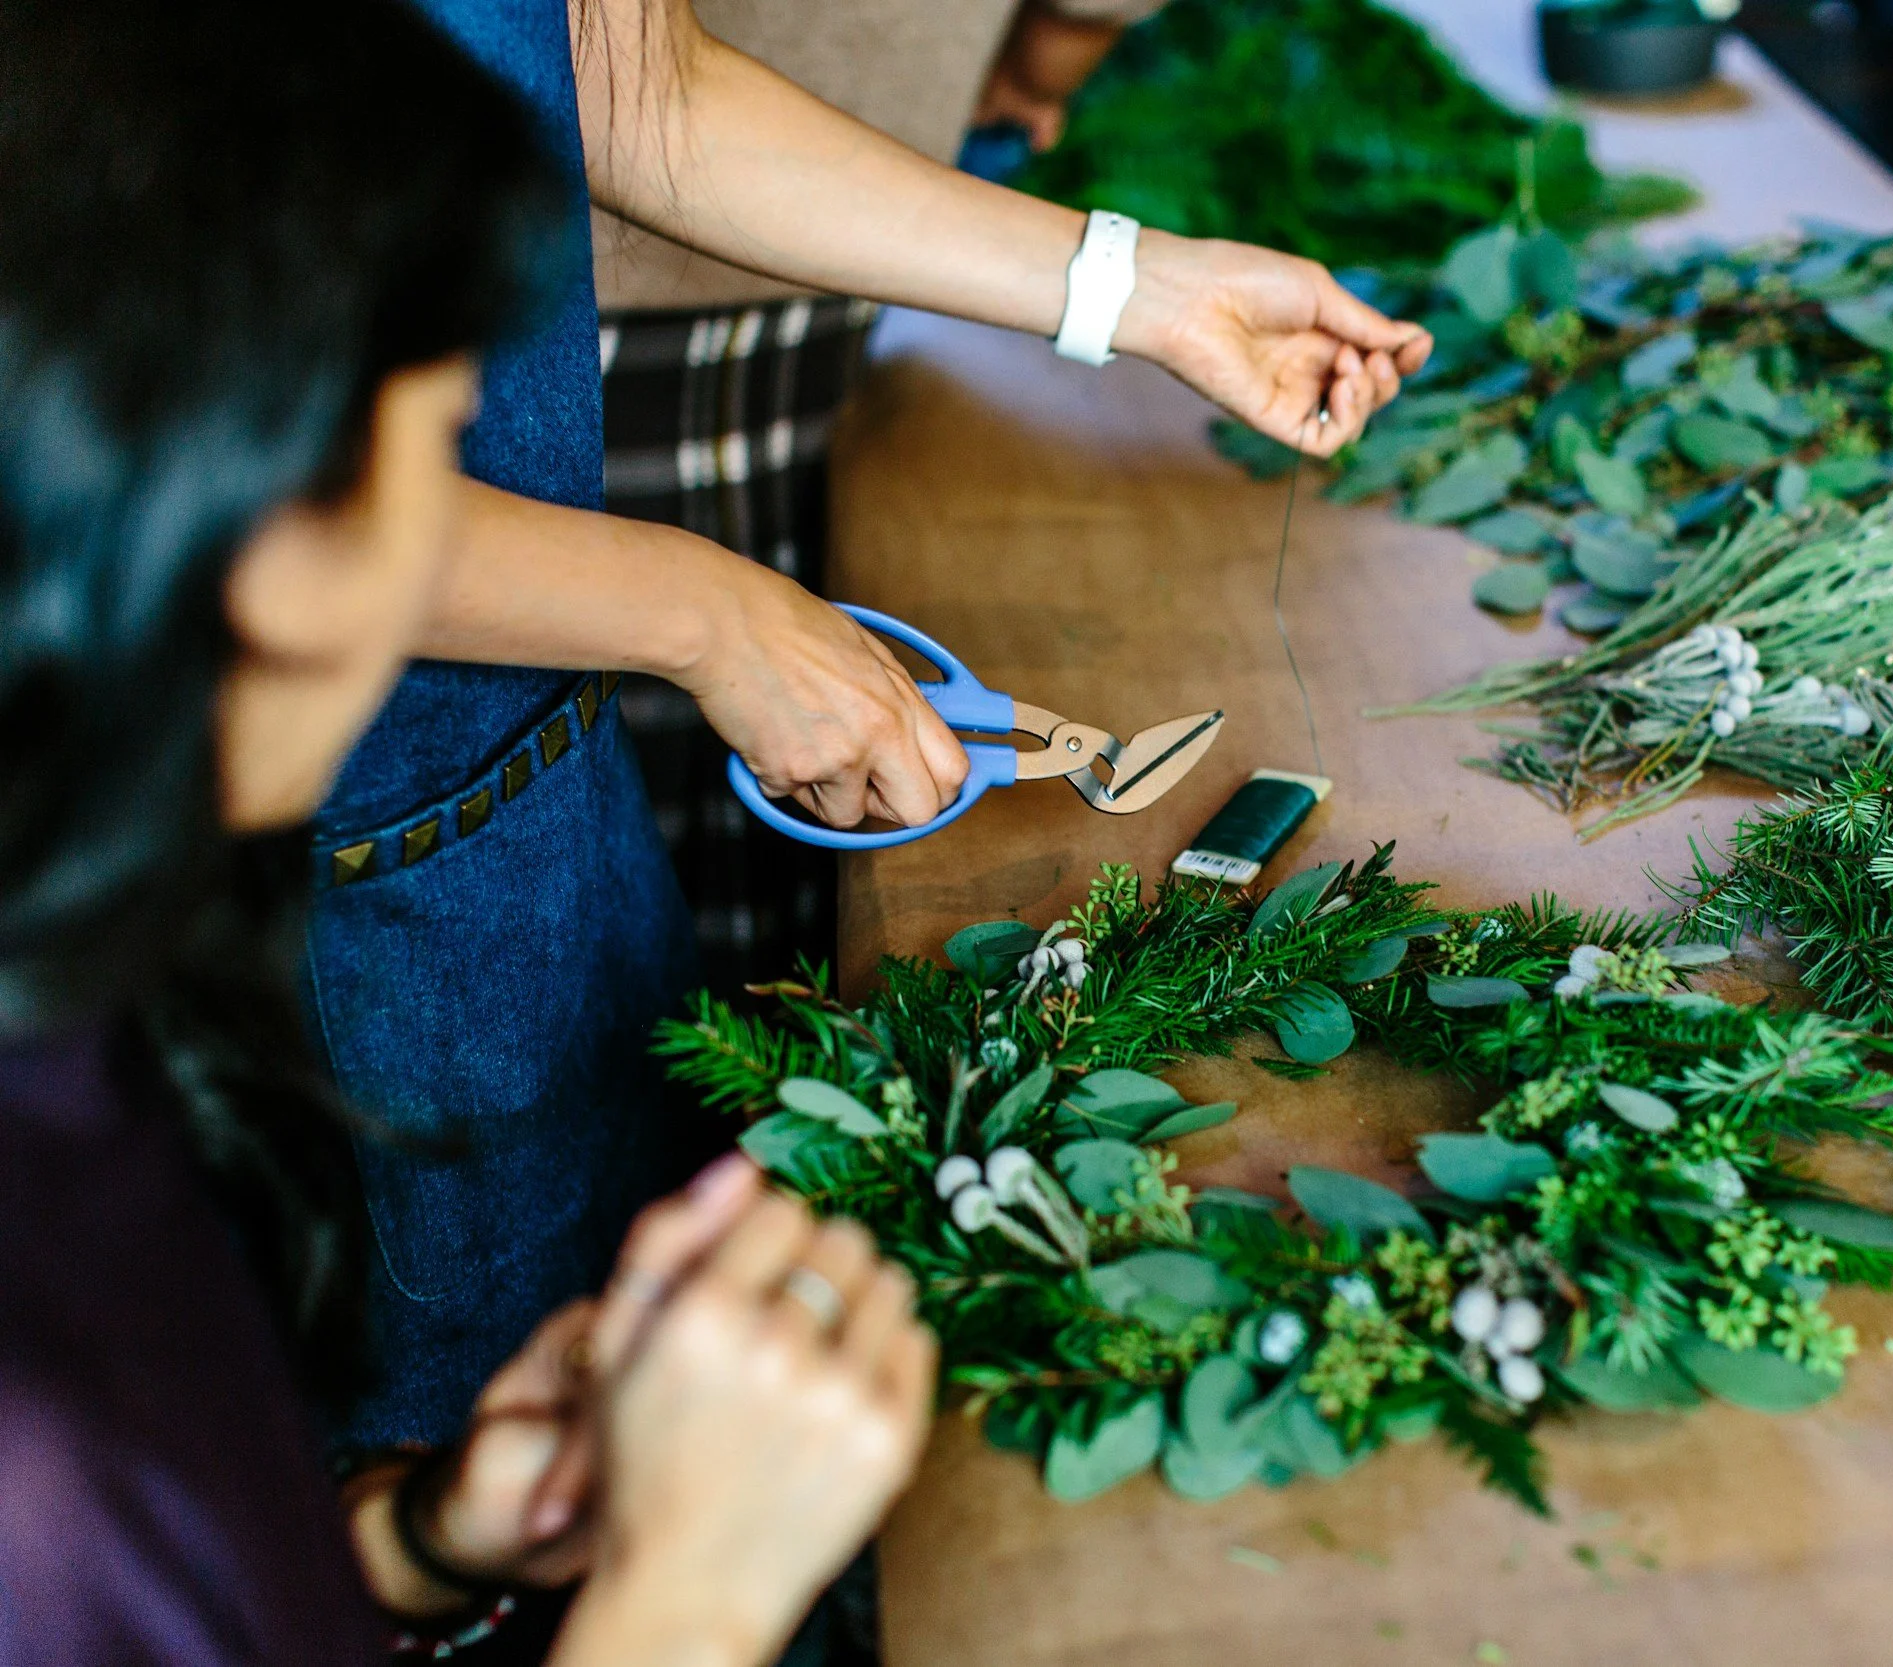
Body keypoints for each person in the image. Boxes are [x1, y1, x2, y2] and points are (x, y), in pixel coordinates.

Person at [322, 0, 1432, 1457]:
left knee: (605, 1413)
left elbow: (631, 82)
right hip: (318, 896)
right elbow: (226, 502)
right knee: (431, 1474)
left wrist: (1139, 289)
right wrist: (706, 612)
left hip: (540, 784)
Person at [0, 1, 934, 1661]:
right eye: (434, 460)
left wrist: (420, 1534)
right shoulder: (42, 1470)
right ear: (256, 537)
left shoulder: (98, 1046)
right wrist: (685, 1597)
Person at [594, 0, 1171, 988]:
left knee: (651, 753)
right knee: (672, 784)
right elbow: (636, 103)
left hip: (736, 203)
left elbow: (638, 100)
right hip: (756, 209)